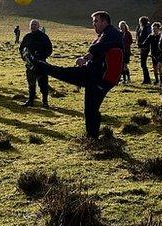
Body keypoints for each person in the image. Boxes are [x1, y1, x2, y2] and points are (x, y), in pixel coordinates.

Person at [23, 11, 123, 139]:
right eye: (93, 22)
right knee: (90, 108)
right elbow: (100, 49)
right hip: (93, 74)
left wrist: (86, 57)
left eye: (96, 21)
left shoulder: (112, 33)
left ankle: (37, 64)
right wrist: (86, 58)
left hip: (100, 78)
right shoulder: (105, 34)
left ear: (105, 21)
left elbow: (99, 47)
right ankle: (92, 138)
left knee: (90, 107)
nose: (94, 24)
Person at [19, 19, 52, 107]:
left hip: (41, 65)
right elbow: (21, 48)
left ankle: (45, 102)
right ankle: (30, 101)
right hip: (30, 65)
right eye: (32, 25)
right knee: (31, 84)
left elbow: (49, 49)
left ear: (38, 26)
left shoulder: (44, 37)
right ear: (30, 26)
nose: (33, 26)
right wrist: (24, 57)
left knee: (43, 84)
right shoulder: (27, 37)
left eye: (35, 24)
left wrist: (41, 56)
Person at [136, 16, 152, 84]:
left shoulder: (146, 28)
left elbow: (146, 38)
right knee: (143, 64)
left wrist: (142, 45)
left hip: (145, 48)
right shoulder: (144, 28)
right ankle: (146, 78)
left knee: (143, 63)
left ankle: (147, 79)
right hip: (143, 47)